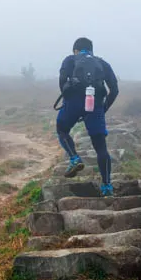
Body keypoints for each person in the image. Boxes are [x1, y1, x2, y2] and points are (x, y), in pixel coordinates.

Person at [56, 37, 119, 196]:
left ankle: (74, 158)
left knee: (62, 130)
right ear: (91, 50)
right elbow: (114, 90)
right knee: (101, 148)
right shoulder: (102, 64)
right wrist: (103, 109)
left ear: (75, 50)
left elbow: (62, 80)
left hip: (73, 103)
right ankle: (107, 187)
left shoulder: (70, 60)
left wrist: (67, 100)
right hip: (95, 105)